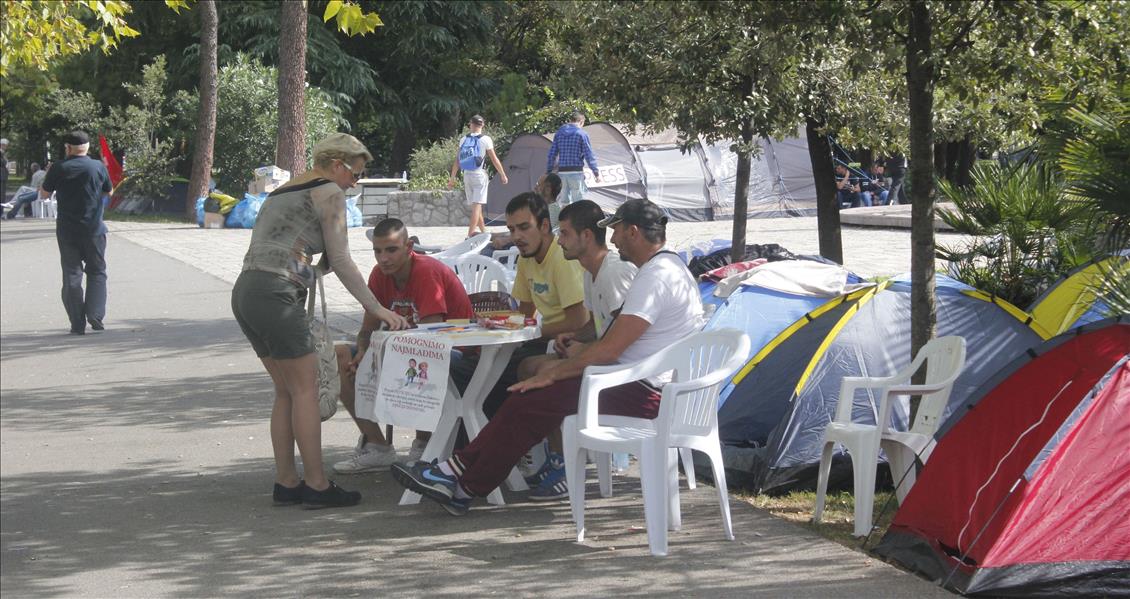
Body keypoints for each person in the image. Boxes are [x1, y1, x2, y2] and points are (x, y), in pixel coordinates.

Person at [391, 198, 704, 517]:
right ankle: (459, 480)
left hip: (642, 391)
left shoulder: (655, 276)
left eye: (617, 231)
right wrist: (564, 361)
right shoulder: (663, 268)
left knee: (528, 396)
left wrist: (554, 373)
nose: (612, 239)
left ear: (634, 232)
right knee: (526, 396)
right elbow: (608, 333)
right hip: (635, 383)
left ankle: (458, 480)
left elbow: (611, 347)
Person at [231, 132, 409, 509]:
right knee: (306, 390)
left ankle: (287, 481)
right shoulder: (329, 190)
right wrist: (378, 309)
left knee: (286, 391)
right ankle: (316, 484)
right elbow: (342, 259)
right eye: (355, 175)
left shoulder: (286, 189)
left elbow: (299, 252)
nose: (354, 184)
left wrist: (317, 265)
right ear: (337, 165)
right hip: (278, 294)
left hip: (248, 290)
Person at [514, 199, 638, 500]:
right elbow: (597, 322)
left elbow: (620, 336)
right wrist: (574, 335)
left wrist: (583, 348)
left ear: (585, 236)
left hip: (625, 373)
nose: (559, 240)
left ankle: (566, 465)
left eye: (565, 233)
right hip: (605, 361)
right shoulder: (588, 270)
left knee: (546, 374)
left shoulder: (613, 272)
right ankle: (552, 455)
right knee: (526, 367)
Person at [332, 218, 473, 475]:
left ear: (409, 247)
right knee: (339, 357)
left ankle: (424, 443)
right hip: (402, 351)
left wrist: (379, 354)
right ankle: (377, 447)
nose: (383, 258)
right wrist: (363, 352)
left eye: (391, 250)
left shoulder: (426, 272)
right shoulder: (379, 275)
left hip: (455, 352)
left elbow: (429, 338)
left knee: (405, 353)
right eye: (377, 251)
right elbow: (367, 330)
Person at [451, 192, 589, 419]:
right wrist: (495, 324)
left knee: (477, 372)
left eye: (524, 227)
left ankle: (488, 441)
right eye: (512, 229)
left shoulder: (561, 259)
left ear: (545, 225)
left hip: (565, 344)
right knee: (471, 365)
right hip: (542, 340)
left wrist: (529, 331)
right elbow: (522, 314)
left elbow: (578, 321)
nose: (517, 236)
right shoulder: (526, 258)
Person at [40, 132, 112, 334]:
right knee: (97, 271)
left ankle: (77, 322)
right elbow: (109, 191)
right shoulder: (98, 166)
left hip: (67, 230)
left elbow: (44, 194)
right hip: (94, 229)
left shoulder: (59, 168)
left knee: (72, 275)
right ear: (87, 148)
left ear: (68, 148)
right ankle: (95, 314)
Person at [448, 114, 508, 238]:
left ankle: (484, 233)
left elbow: (457, 161)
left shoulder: (464, 139)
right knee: (477, 206)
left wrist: (452, 178)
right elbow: (494, 159)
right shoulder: (485, 139)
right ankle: (470, 235)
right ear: (482, 125)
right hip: (479, 175)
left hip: (467, 175)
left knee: (476, 206)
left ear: (471, 124)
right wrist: (502, 174)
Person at [546, 111, 601, 205]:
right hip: (576, 172)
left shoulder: (559, 134)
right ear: (581, 121)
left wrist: (548, 170)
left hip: (562, 173)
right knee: (579, 203)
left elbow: (552, 154)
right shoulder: (582, 134)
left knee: (564, 203)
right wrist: (596, 173)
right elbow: (589, 155)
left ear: (570, 120)